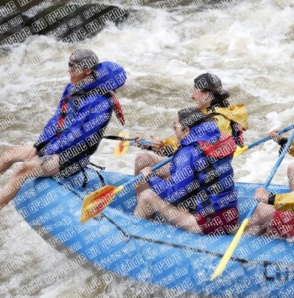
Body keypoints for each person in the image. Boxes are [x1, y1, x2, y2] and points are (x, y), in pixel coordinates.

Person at [0, 49, 127, 209]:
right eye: (69, 65)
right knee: (8, 155)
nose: (69, 70)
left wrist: (46, 152)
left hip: (71, 157)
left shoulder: (100, 103)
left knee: (22, 170)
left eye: (74, 67)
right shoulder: (73, 89)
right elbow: (56, 121)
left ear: (88, 71)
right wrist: (38, 145)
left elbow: (78, 139)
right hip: (56, 146)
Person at [133, 73, 248, 195]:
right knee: (144, 159)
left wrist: (163, 149)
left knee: (143, 160)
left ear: (207, 94)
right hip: (198, 171)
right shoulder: (213, 115)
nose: (192, 96)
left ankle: (146, 205)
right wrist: (154, 145)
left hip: (199, 178)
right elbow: (185, 145)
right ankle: (149, 203)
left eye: (195, 91)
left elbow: (190, 154)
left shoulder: (217, 122)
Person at [134, 107, 239, 235]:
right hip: (230, 215)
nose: (173, 129)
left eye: (175, 126)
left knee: (147, 195)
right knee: (144, 159)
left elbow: (174, 196)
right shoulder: (217, 137)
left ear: (187, 130)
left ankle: (137, 235)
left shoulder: (189, 151)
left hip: (208, 222)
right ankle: (147, 212)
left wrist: (150, 176)